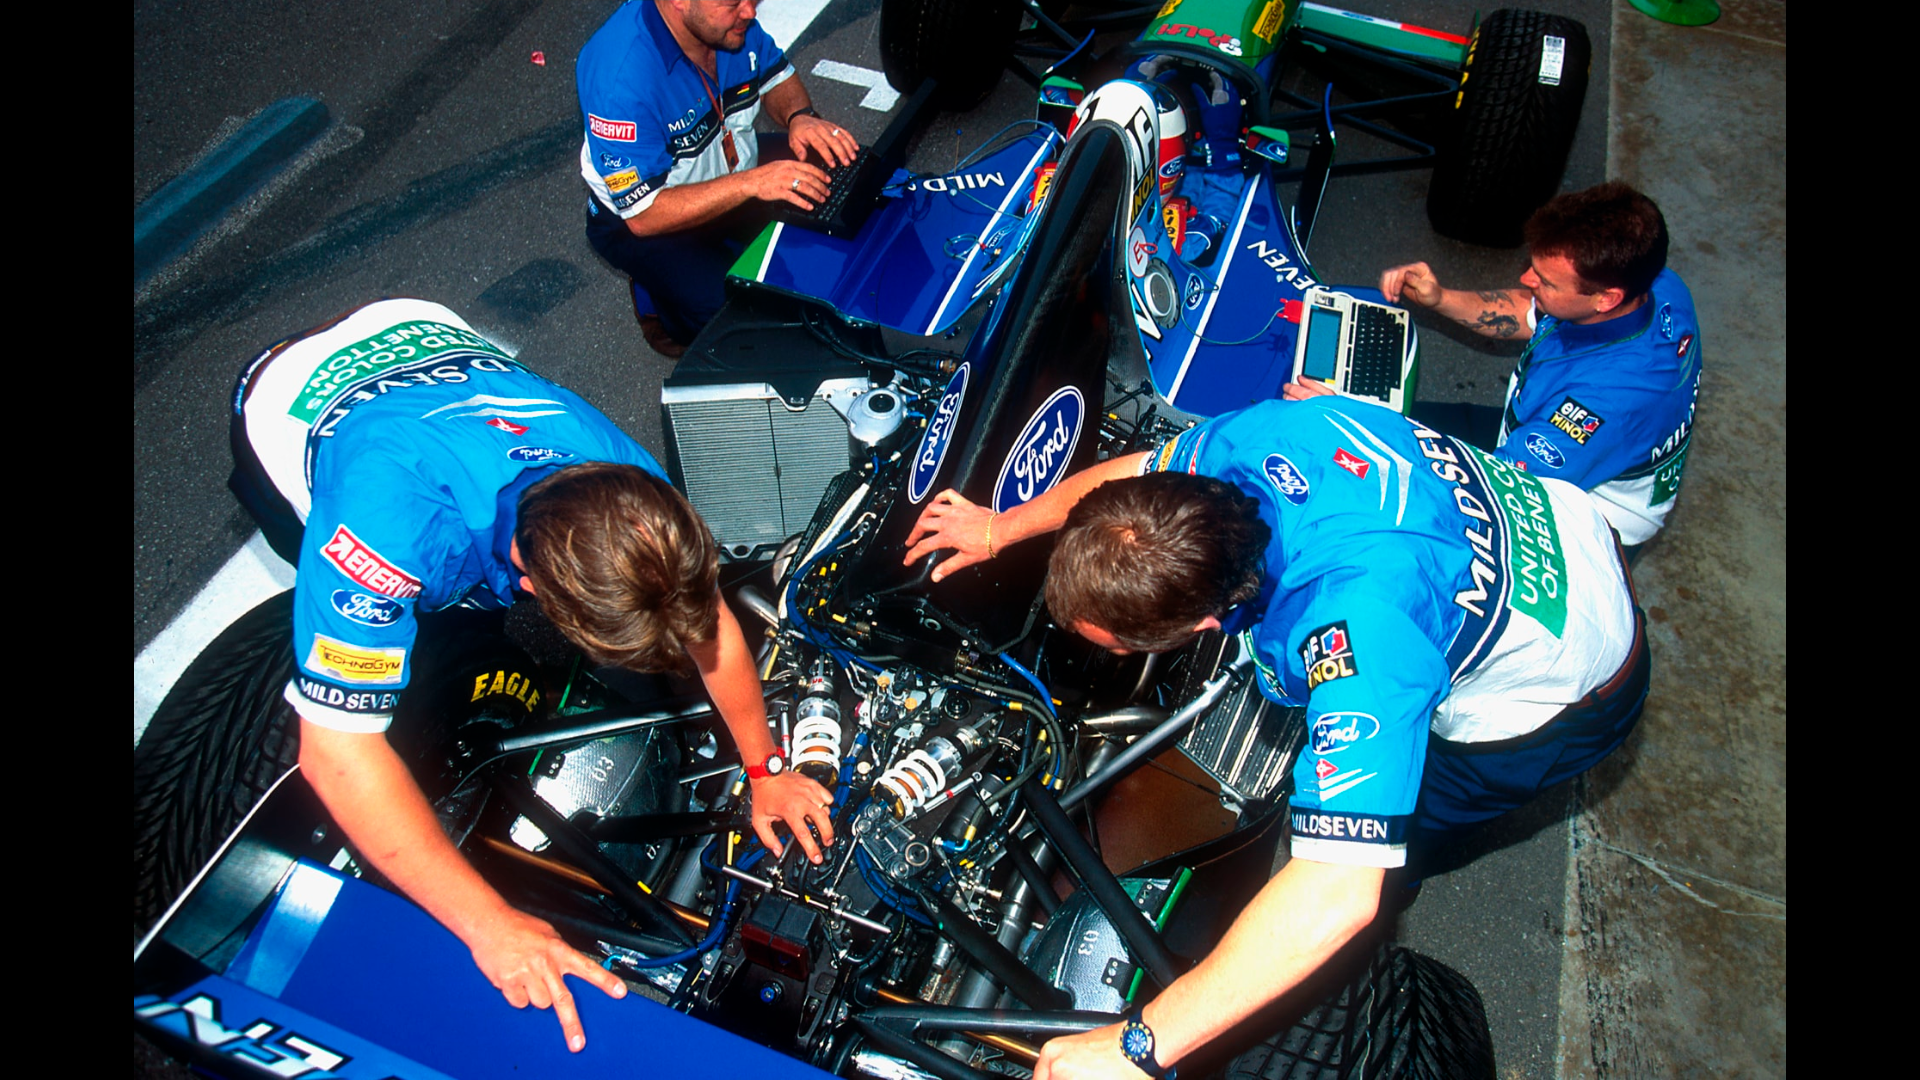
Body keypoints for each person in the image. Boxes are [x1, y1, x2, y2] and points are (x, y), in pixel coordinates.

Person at [904, 395, 1649, 1080]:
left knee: (1398, 837)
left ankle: (1390, 894)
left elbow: (1339, 892)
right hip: (1553, 527)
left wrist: (1139, 1046)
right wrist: (1000, 528)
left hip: (1562, 689)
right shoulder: (1255, 444)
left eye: (1121, 648)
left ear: (1205, 627)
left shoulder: (1358, 634)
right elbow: (1132, 475)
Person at [230, 298, 836, 1052]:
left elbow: (709, 625)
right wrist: (490, 925)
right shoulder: (382, 530)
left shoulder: (630, 489)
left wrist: (765, 767)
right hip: (296, 400)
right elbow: (335, 753)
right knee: (376, 649)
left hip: (421, 341)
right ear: (531, 588)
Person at [1291, 182, 1700, 551]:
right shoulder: (1655, 282)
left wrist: (1352, 424)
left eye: (1546, 281)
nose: (1527, 279)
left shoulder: (1604, 404)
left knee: (1367, 503)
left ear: (1606, 299)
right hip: (1536, 429)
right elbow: (1530, 311)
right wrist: (1440, 298)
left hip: (1566, 510)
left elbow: (1492, 493)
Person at [577, 0, 859, 354]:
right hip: (649, 216)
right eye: (732, 3)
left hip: (731, 170)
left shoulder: (726, 24)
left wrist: (799, 116)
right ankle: (663, 310)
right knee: (747, 322)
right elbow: (644, 216)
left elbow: (775, 75)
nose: (750, 12)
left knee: (840, 169)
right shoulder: (619, 80)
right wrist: (753, 184)